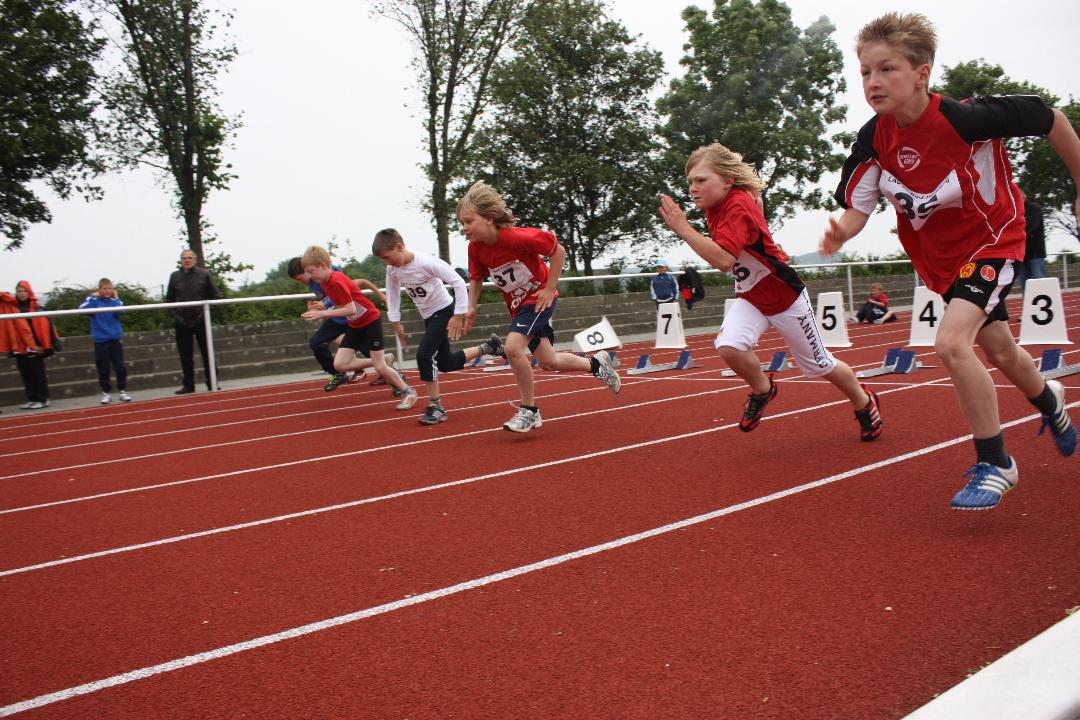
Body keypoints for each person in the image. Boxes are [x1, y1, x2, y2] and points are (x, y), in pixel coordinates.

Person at [821, 12, 1080, 510]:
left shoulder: (970, 119)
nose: (873, 82)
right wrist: (842, 232)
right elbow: (859, 206)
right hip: (941, 262)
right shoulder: (873, 139)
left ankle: (996, 461)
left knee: (950, 342)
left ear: (922, 73)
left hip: (994, 241)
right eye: (865, 72)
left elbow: (1052, 119)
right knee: (1000, 350)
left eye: (887, 69)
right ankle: (1050, 399)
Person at [659, 143, 883, 441]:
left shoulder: (736, 205)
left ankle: (864, 401)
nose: (693, 188)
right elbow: (750, 227)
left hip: (785, 298)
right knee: (729, 346)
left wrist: (683, 228)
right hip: (752, 296)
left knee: (820, 365)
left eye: (701, 180)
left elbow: (724, 261)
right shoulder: (718, 205)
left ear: (727, 180)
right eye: (690, 181)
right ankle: (763, 389)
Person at [458, 181, 621, 433]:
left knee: (512, 348)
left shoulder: (517, 237)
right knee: (548, 361)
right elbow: (477, 278)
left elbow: (558, 251)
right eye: (462, 223)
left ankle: (529, 411)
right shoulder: (475, 248)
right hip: (518, 306)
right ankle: (597, 364)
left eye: (469, 221)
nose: (464, 228)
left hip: (538, 299)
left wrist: (548, 287)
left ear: (488, 218)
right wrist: (471, 307)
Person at [373, 228, 503, 424]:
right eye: (383, 259)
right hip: (429, 316)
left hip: (444, 311)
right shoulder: (392, 270)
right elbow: (392, 293)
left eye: (387, 257)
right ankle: (490, 347)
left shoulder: (426, 262)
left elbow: (458, 282)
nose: (386, 262)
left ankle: (436, 407)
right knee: (446, 363)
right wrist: (395, 321)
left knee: (424, 355)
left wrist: (458, 314)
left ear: (399, 247)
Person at [300, 245, 417, 409]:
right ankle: (383, 360)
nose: (309, 276)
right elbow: (343, 303)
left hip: (370, 321)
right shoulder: (325, 283)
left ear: (323, 266)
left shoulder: (336, 281)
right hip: (355, 324)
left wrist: (322, 314)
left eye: (311, 271)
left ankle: (408, 392)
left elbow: (351, 309)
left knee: (380, 367)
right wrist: (323, 307)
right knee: (340, 365)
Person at [286, 256, 394, 392]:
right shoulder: (315, 281)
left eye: (300, 279)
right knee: (316, 343)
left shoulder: (331, 274)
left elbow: (347, 288)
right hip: (337, 319)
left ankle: (395, 379)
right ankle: (338, 374)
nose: (300, 282)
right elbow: (331, 299)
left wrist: (324, 305)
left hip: (352, 319)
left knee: (370, 353)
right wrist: (319, 306)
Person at [165, 248, 221, 394]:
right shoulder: (174, 276)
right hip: (182, 321)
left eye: (190, 258)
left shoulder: (204, 274)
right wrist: (175, 315)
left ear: (195, 260)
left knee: (208, 352)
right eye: (184, 258)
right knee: (185, 355)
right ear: (181, 260)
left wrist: (206, 314)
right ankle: (188, 385)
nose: (187, 260)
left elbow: (215, 297)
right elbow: (169, 299)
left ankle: (212, 383)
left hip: (201, 320)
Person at [0, 281, 60, 410]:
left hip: (36, 347)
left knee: (38, 373)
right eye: (19, 291)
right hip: (21, 347)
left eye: (24, 291)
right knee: (26, 374)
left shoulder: (37, 308)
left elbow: (44, 329)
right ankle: (32, 399)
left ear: (29, 292)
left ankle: (43, 399)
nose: (22, 294)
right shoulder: (12, 307)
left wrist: (40, 345)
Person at [79, 278, 132, 404]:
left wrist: (116, 297)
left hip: (115, 339)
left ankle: (122, 391)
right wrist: (92, 296)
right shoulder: (94, 302)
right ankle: (106, 392)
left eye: (109, 288)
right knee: (103, 368)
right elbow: (82, 308)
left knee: (120, 367)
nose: (107, 291)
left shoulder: (115, 302)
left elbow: (121, 310)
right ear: (99, 290)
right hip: (100, 340)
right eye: (104, 288)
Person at [1017, 192, 1047, 289]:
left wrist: (1014, 229)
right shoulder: (1014, 212)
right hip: (1021, 256)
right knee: (1025, 286)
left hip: (1035, 255)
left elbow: (1029, 226)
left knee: (1040, 283)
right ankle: (1028, 300)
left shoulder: (1034, 209)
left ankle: (1044, 298)